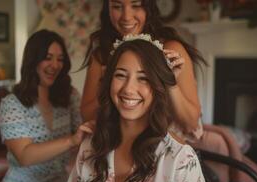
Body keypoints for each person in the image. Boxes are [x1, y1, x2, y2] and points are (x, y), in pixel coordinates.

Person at [65, 35, 209, 182]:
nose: (128, 89)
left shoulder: (180, 159)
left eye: (143, 78)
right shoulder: (90, 147)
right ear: (109, 81)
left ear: (158, 87)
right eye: (120, 75)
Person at [80, 0, 206, 140]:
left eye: (136, 5)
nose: (126, 17)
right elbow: (87, 116)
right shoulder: (101, 56)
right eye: (117, 6)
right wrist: (110, 81)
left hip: (169, 152)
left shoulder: (171, 50)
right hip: (119, 145)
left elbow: (190, 123)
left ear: (149, 8)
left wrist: (169, 81)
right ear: (107, 10)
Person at [0, 30, 92, 182]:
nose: (55, 65)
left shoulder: (70, 96)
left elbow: (84, 135)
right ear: (33, 60)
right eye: (48, 57)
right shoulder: (12, 103)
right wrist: (70, 140)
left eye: (60, 59)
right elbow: (24, 156)